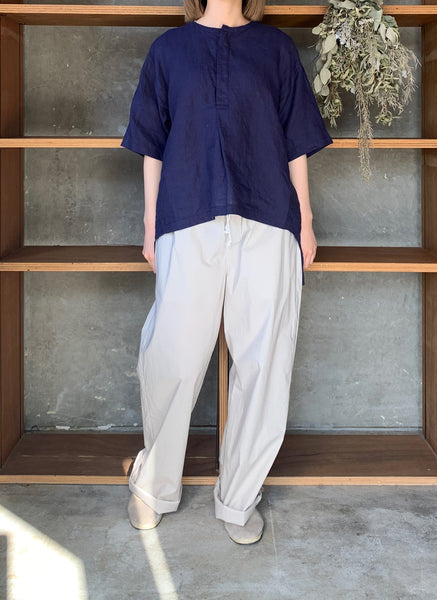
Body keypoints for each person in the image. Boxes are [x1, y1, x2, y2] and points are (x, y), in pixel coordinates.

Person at [121, 0, 333, 545]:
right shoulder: (168, 51)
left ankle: (238, 499)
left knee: (265, 362)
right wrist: (149, 224)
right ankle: (154, 486)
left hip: (269, 220)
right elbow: (151, 145)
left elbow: (296, 142)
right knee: (172, 355)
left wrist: (306, 221)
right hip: (187, 216)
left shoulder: (276, 49)